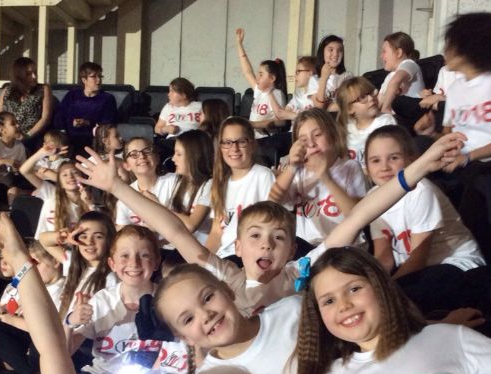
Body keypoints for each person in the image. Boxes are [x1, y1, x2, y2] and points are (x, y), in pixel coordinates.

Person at [73, 129, 467, 318]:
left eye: (278, 238)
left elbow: (363, 213)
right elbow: (174, 230)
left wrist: (418, 167)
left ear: (292, 249)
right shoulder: (224, 278)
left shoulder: (301, 271)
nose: (266, 245)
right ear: (237, 246)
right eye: (256, 236)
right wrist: (117, 187)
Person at [296, 246, 491, 374]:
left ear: (381, 287)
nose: (344, 305)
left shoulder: (448, 337)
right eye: (329, 301)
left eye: (354, 289)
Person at [365, 124, 485, 315]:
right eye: (375, 160)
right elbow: (384, 256)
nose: (384, 167)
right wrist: (371, 286)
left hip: (457, 265)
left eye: (394, 158)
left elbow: (418, 258)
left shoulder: (421, 190)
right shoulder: (373, 197)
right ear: (366, 168)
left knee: (402, 301)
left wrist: (387, 293)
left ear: (412, 160)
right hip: (418, 271)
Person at [65, 224, 188, 374]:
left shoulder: (169, 301)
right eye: (125, 255)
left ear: (156, 262)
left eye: (144, 255)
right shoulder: (102, 301)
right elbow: (65, 352)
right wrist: (70, 322)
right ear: (112, 264)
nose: (134, 263)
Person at [154, 263, 301, 374]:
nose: (206, 315)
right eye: (189, 319)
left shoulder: (293, 310)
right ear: (185, 338)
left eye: (208, 298)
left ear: (227, 290)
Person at [0, 212, 76, 374]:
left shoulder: (63, 290)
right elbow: (5, 309)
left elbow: (52, 334)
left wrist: (8, 319)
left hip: (34, 347)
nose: (30, 270)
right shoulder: (15, 285)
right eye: (28, 264)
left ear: (55, 261)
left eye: (35, 263)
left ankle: (31, 373)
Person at [269, 108, 367, 249]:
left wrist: (326, 178)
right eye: (303, 140)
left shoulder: (350, 167)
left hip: (344, 246)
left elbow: (357, 216)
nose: (311, 143)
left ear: (333, 135)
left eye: (317, 135)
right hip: (307, 248)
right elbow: (273, 201)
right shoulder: (299, 172)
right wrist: (292, 167)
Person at [438, 12, 491, 262]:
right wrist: (440, 143)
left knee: (478, 185)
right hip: (459, 163)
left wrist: (467, 157)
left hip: (483, 164)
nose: (445, 50)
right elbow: (447, 130)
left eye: (449, 44)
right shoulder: (456, 87)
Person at [38, 210, 118, 371]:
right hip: (62, 333)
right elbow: (43, 240)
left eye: (98, 236)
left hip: (82, 343)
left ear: (109, 240)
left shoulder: (111, 278)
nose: (89, 242)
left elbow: (80, 336)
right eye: (83, 236)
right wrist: (62, 237)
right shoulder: (73, 264)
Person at [207, 116, 275, 259]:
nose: (234, 148)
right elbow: (216, 233)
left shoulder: (263, 176)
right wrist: (202, 263)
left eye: (241, 141)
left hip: (247, 257)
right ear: (220, 147)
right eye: (227, 142)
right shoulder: (220, 184)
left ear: (252, 145)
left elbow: (271, 226)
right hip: (222, 258)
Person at [19, 154, 95, 240]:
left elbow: (97, 226)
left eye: (75, 173)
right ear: (59, 181)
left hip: (74, 245)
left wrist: (90, 204)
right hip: (46, 245)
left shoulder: (88, 200)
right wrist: (43, 151)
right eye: (65, 175)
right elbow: (25, 171)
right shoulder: (51, 192)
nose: (70, 176)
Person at [53, 61, 117, 156]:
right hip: (69, 139)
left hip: (93, 141)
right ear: (84, 80)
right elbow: (60, 116)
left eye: (100, 76)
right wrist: (68, 126)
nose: (98, 80)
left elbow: (107, 125)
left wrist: (88, 123)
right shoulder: (73, 95)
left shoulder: (107, 99)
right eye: (94, 77)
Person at [336, 76, 396, 172]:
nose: (371, 98)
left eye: (371, 93)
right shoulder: (346, 129)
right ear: (349, 109)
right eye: (362, 97)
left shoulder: (385, 122)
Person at [235, 28, 287, 139]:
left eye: (261, 74)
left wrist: (253, 124)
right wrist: (239, 44)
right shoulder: (259, 91)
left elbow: (281, 121)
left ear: (272, 78)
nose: (257, 77)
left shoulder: (276, 94)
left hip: (266, 139)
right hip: (253, 138)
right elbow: (247, 71)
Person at [0, 57, 53, 152]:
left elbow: (45, 118)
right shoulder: (8, 90)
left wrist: (27, 135)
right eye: (29, 74)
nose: (34, 76)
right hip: (8, 135)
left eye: (35, 72)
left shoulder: (43, 89)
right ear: (19, 75)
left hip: (33, 136)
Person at [169, 129, 213, 246]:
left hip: (202, 246)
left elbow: (191, 225)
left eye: (179, 154)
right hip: (181, 243)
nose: (173, 159)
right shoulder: (180, 182)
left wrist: (161, 208)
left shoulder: (210, 184)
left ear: (195, 156)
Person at [377, 32, 425, 132]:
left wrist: (386, 108)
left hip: (408, 118)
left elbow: (396, 81)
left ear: (398, 53)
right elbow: (380, 100)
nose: (381, 56)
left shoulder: (410, 64)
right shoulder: (389, 76)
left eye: (384, 52)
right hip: (392, 119)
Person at [312, 35, 353, 112]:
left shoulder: (348, 76)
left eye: (340, 50)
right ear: (322, 52)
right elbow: (319, 107)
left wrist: (327, 107)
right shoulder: (314, 79)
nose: (335, 54)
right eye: (331, 50)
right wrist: (324, 78)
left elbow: (351, 103)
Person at [0, 112, 27, 195]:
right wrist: (3, 161)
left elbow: (24, 167)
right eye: (13, 123)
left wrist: (17, 168)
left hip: (11, 180)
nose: (18, 125)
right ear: (2, 130)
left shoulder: (20, 146)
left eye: (17, 122)